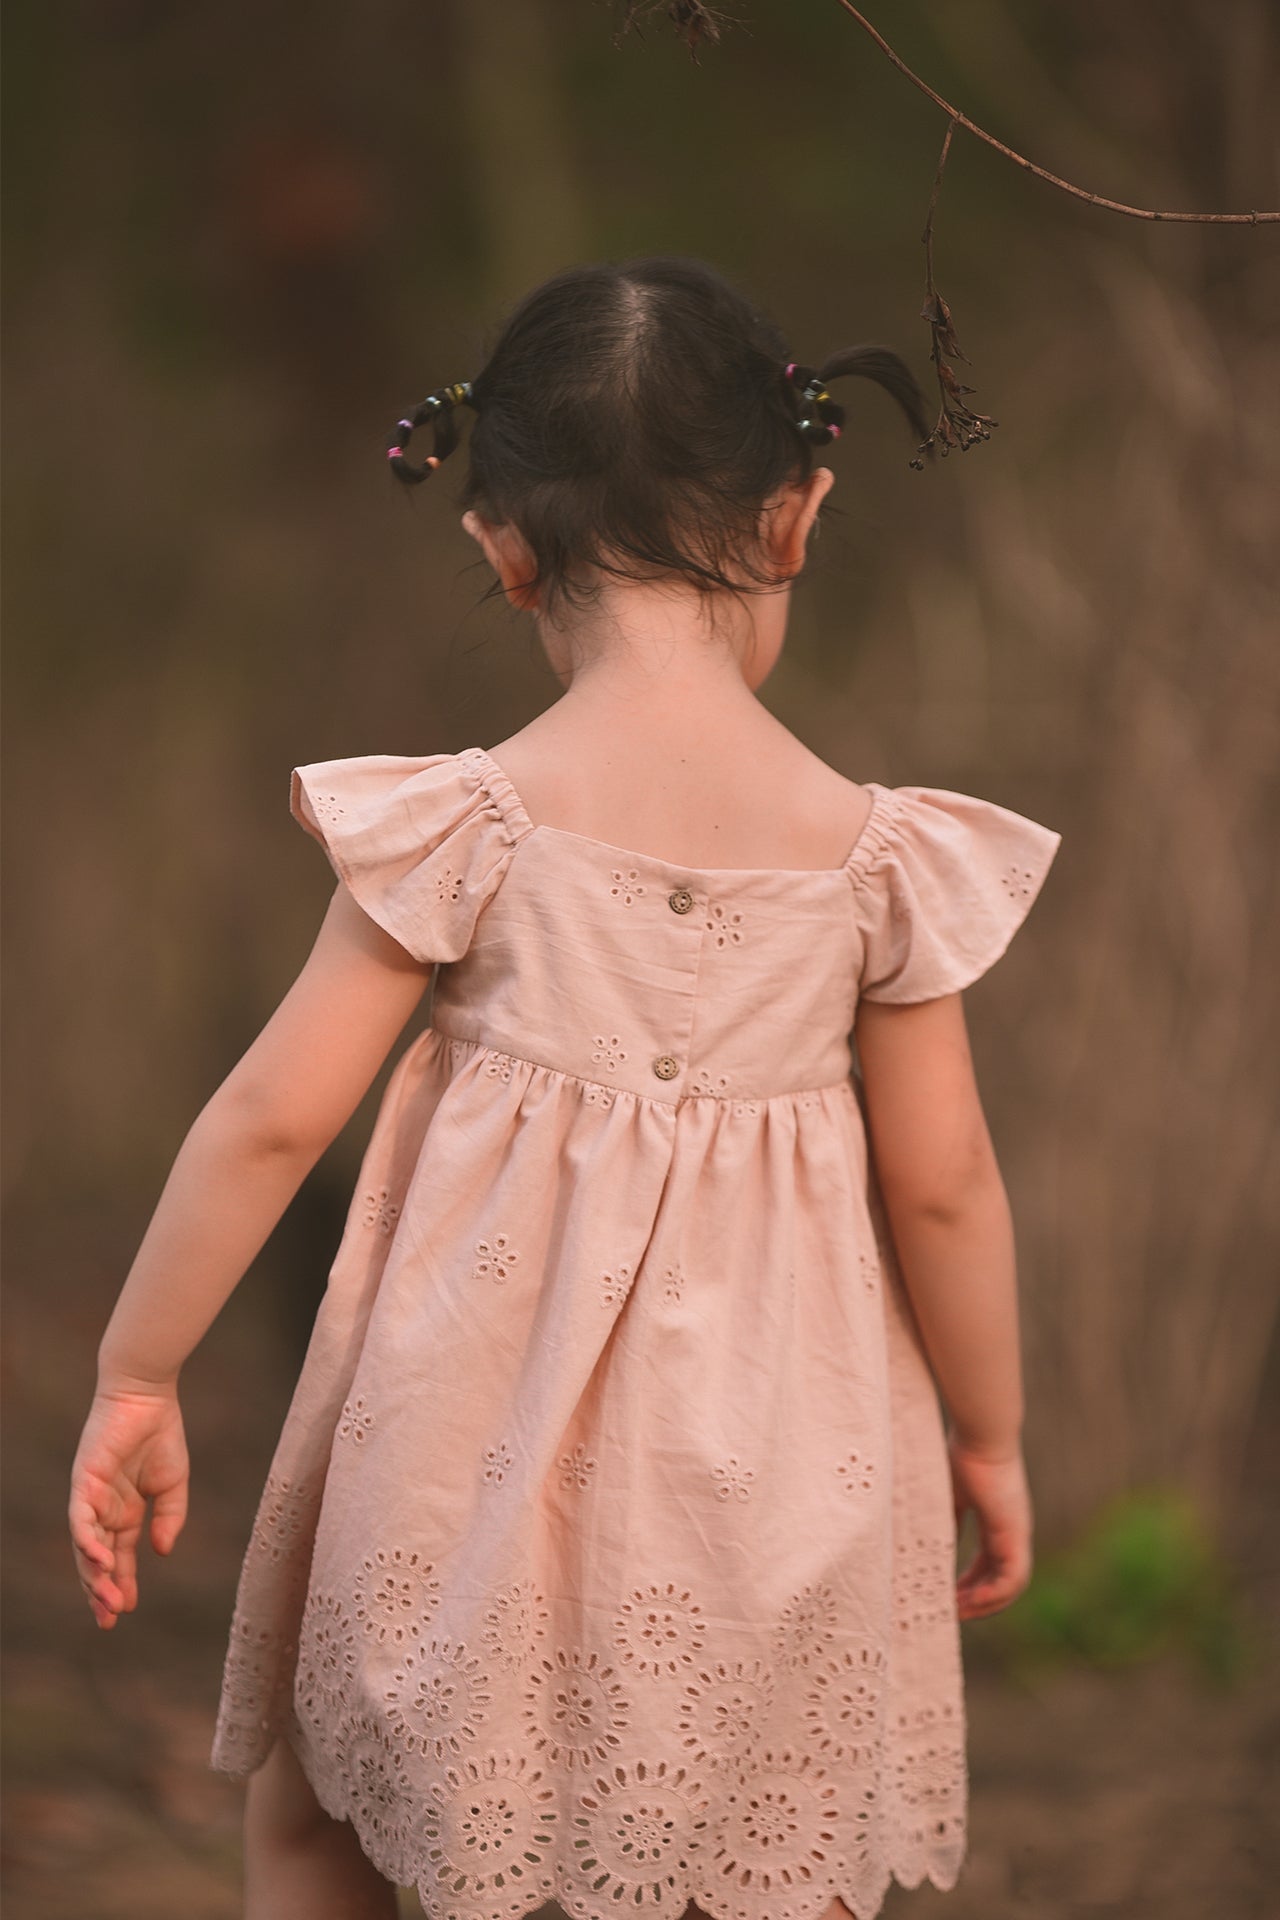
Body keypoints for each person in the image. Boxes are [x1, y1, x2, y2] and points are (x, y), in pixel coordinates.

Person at [69, 255, 1062, 1920]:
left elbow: (271, 1116)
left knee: (330, 1808)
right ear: (799, 518)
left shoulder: (470, 826)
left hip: (458, 1453)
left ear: (504, 550)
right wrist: (994, 1433)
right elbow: (946, 1180)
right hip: (781, 1466)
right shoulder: (883, 864)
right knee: (758, 1837)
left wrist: (136, 1373)